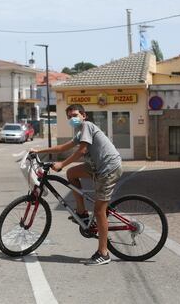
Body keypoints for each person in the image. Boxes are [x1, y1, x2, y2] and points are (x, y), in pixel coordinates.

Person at [30, 104, 122, 265]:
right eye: (69, 117)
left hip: (108, 168)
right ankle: (82, 213)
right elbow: (61, 147)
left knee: (100, 211)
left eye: (74, 115)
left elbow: (81, 151)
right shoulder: (80, 132)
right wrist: (39, 151)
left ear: (83, 115)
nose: (72, 119)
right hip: (97, 168)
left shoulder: (87, 126)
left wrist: (62, 164)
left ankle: (103, 253)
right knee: (72, 174)